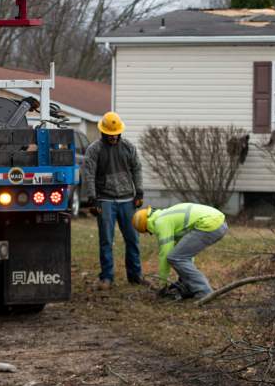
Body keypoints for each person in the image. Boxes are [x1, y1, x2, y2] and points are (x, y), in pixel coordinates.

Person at [83, 111, 144, 287]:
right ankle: (106, 277)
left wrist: (139, 192)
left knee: (133, 239)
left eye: (115, 134)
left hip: (127, 200)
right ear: (103, 132)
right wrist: (92, 199)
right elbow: (89, 174)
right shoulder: (94, 150)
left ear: (120, 132)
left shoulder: (128, 147)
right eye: (110, 135)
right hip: (105, 200)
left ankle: (135, 276)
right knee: (106, 240)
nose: (113, 138)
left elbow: (137, 169)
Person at [132, 203, 227, 301]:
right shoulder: (166, 216)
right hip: (218, 222)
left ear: (146, 227)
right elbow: (185, 253)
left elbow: (165, 255)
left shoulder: (161, 223)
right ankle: (188, 286)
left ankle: (204, 292)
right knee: (180, 256)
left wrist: (162, 283)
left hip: (209, 224)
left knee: (175, 257)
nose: (150, 234)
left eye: (148, 232)